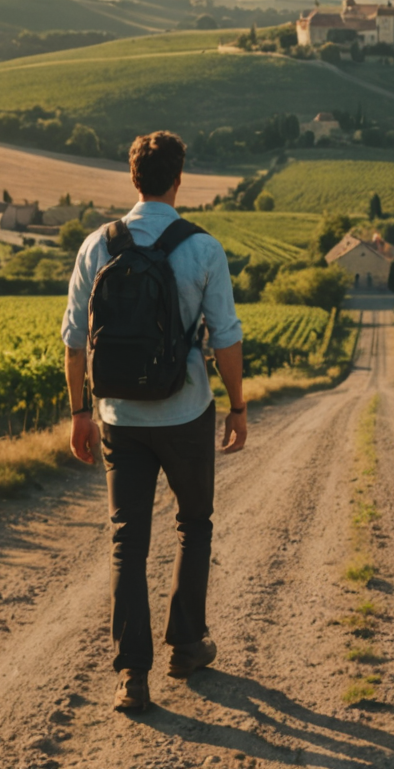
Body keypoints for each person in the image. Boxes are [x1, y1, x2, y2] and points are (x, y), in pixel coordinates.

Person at [61, 130, 247, 713]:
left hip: (117, 415)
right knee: (194, 524)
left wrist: (79, 412)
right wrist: (238, 406)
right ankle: (187, 645)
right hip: (185, 410)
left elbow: (72, 342)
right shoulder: (203, 248)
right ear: (179, 179)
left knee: (127, 541)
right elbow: (226, 338)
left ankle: (131, 676)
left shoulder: (97, 245)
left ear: (133, 177)